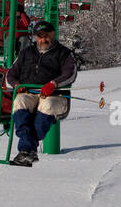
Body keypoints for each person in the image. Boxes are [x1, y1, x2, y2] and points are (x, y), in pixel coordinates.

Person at [5, 20, 77, 165]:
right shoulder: (26, 53)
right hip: (29, 92)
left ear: (53, 35)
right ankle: (28, 151)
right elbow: (10, 75)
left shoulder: (64, 53)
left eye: (47, 36)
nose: (43, 40)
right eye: (40, 36)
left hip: (54, 94)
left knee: (48, 105)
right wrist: (17, 85)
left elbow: (70, 73)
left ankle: (26, 149)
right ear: (35, 37)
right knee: (20, 101)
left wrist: (53, 83)